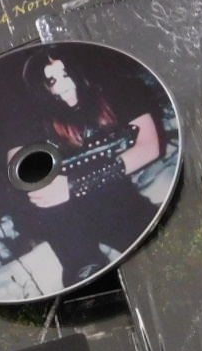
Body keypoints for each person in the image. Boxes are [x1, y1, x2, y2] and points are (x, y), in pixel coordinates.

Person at [13, 47, 165, 287]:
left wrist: (76, 183)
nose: (64, 85)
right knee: (84, 269)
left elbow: (149, 148)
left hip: (117, 201)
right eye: (51, 81)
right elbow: (20, 171)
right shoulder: (34, 120)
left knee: (164, 251)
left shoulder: (116, 91)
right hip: (67, 218)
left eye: (66, 74)